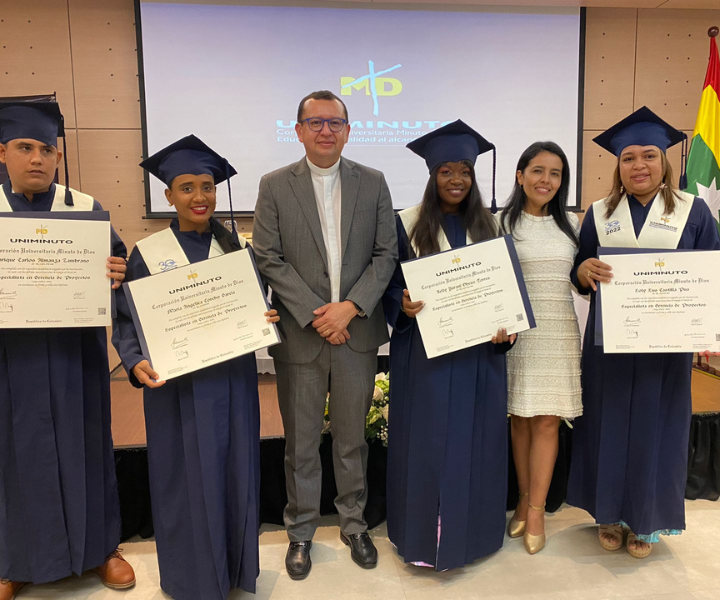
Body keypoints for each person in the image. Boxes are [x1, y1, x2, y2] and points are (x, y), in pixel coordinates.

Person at [112, 135, 278, 599]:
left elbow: (255, 310)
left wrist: (264, 317)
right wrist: (134, 359)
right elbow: (126, 318)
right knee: (181, 477)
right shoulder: (148, 252)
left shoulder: (238, 252)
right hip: (176, 390)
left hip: (231, 382)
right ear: (168, 196)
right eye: (186, 188)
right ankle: (191, 578)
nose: (199, 197)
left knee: (234, 470)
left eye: (207, 186)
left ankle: (235, 572)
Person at [252, 90, 397, 579]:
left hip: (357, 332)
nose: (325, 131)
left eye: (335, 122)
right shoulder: (274, 185)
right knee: (302, 442)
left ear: (349, 130)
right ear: (298, 131)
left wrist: (350, 308)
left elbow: (385, 255)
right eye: (315, 123)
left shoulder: (373, 183)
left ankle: (354, 523)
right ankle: (300, 532)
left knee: (352, 438)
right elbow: (268, 256)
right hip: (302, 334)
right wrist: (320, 314)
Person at [567, 106, 720, 559]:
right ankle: (609, 513)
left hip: (666, 348)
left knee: (658, 428)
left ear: (665, 161)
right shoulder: (598, 212)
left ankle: (647, 519)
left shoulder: (693, 212)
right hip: (609, 343)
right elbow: (579, 271)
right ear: (617, 165)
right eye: (628, 157)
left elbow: (712, 271)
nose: (639, 165)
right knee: (607, 424)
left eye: (649, 156)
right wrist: (583, 270)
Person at [0, 101, 134, 600]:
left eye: (47, 149)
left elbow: (119, 276)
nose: (37, 158)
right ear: (4, 152)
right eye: (25, 148)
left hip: (74, 358)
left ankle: (101, 549)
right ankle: (12, 560)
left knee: (87, 446)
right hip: (11, 362)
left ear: (58, 156)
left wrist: (118, 274)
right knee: (13, 455)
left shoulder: (84, 209)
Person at [383, 120, 515, 571]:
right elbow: (387, 286)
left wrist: (507, 329)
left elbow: (507, 295)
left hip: (479, 356)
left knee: (475, 442)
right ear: (432, 175)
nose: (456, 179)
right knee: (424, 442)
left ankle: (471, 536)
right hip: (424, 356)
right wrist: (398, 303)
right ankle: (421, 537)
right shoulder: (406, 223)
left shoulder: (493, 227)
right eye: (446, 171)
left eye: (465, 171)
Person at [497, 141, 582, 555]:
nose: (546, 180)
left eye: (555, 173)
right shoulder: (499, 224)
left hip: (558, 332)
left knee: (547, 421)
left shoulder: (572, 224)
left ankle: (535, 510)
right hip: (516, 334)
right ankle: (520, 498)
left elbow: (582, 277)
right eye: (537, 170)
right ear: (520, 175)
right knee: (519, 419)